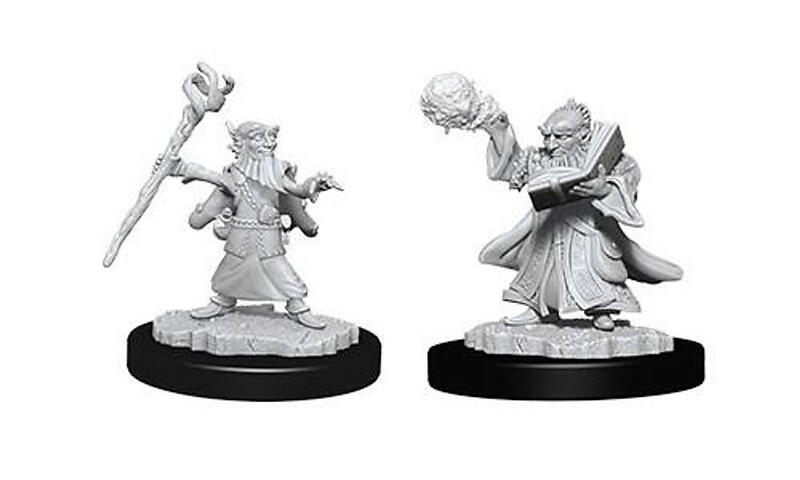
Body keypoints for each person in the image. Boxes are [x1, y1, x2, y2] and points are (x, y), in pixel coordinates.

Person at [478, 100, 682, 331]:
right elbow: (512, 167)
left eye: (561, 137)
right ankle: (539, 308)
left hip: (587, 229)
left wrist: (604, 190)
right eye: (547, 136)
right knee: (542, 272)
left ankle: (601, 310)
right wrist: (500, 132)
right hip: (548, 227)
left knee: (594, 269)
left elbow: (627, 183)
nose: (551, 144)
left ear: (582, 135)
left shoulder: (607, 159)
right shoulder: (538, 157)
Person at [168, 121, 341, 329]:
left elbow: (298, 190)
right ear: (242, 142)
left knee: (279, 269)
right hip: (240, 234)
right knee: (231, 268)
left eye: (271, 137)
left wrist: (315, 185)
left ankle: (298, 306)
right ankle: (223, 300)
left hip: (268, 235)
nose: (268, 143)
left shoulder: (277, 172)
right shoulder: (233, 175)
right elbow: (207, 190)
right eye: (259, 138)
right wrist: (177, 168)